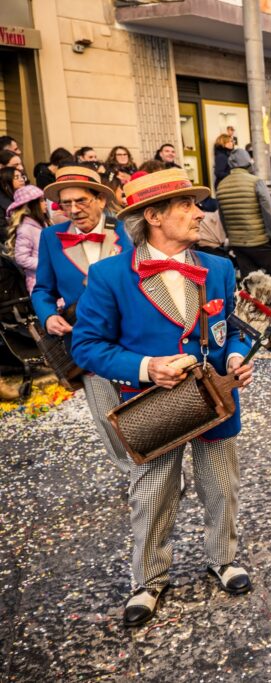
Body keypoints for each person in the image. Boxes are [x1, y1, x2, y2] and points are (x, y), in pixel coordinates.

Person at [70, 168, 255, 628]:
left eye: (197, 204)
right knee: (152, 492)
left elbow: (233, 329)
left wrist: (235, 357)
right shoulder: (110, 275)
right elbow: (87, 347)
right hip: (152, 406)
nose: (199, 213)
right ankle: (149, 579)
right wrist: (145, 367)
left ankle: (223, 558)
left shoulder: (219, 268)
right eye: (187, 206)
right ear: (152, 216)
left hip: (214, 399)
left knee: (222, 485)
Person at [31, 166, 133, 475]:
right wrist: (48, 315)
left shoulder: (127, 229)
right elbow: (42, 289)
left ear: (101, 199)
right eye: (66, 204)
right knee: (106, 415)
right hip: (86, 343)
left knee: (142, 409)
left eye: (81, 201)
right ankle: (132, 472)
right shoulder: (50, 238)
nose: (73, 210)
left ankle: (159, 468)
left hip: (132, 339)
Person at [217, 148, 271, 282]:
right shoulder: (255, 181)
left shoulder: (221, 185)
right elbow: (269, 211)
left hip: (238, 243)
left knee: (250, 281)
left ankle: (254, 303)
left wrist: (230, 237)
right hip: (260, 240)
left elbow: (222, 217)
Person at [4, 185, 49, 291]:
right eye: (42, 201)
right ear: (32, 205)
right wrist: (46, 264)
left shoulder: (43, 224)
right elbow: (22, 258)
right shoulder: (25, 229)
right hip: (39, 282)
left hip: (48, 277)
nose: (45, 204)